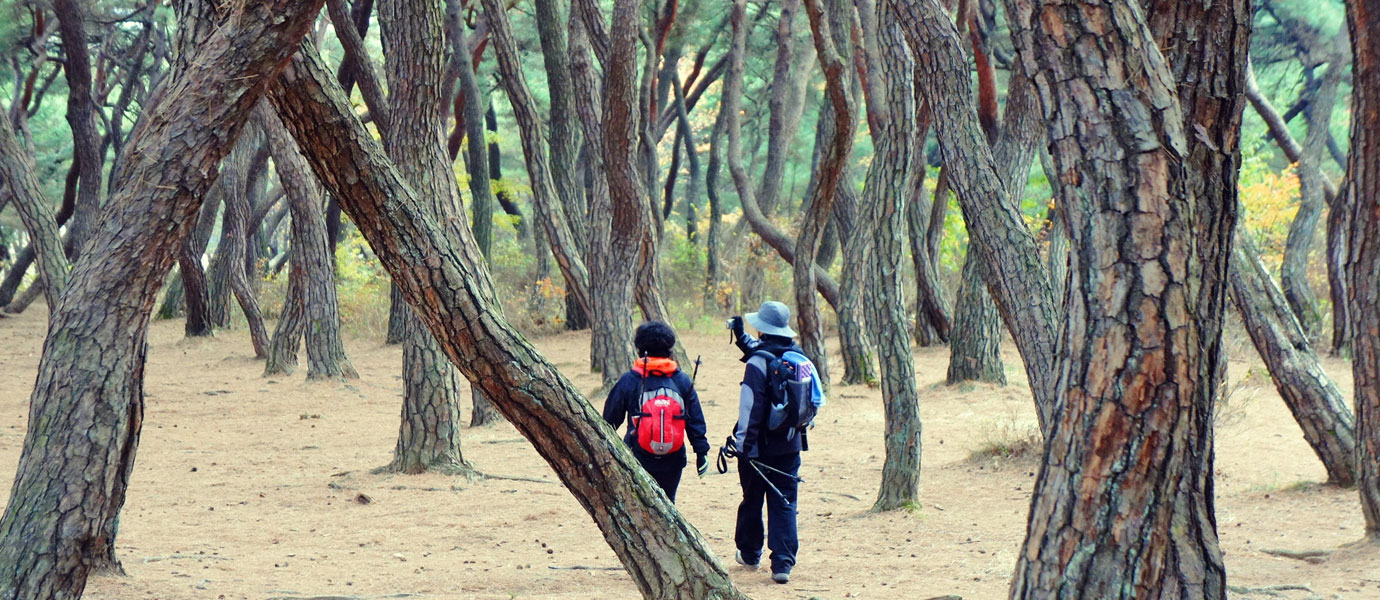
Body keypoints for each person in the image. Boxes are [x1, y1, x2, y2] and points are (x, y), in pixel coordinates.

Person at [727, 300, 811, 584]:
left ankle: (750, 553)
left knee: (752, 500)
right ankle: (783, 564)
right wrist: (741, 338)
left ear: (762, 329)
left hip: (757, 447)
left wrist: (744, 447)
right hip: (790, 444)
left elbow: (750, 408)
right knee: (785, 501)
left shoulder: (757, 363)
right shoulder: (798, 357)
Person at [602, 321, 710, 503]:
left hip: (636, 456)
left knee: (637, 505)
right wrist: (701, 453)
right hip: (673, 459)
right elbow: (695, 420)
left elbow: (609, 421)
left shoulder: (630, 380)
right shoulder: (681, 380)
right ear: (669, 348)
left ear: (639, 347)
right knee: (668, 504)